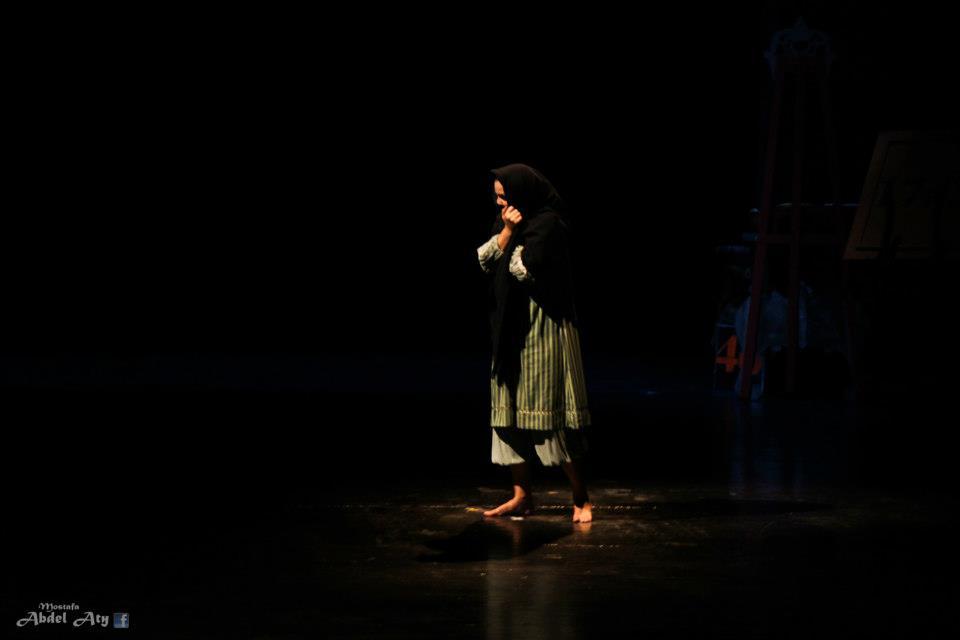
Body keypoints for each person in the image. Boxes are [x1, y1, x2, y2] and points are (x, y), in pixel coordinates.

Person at [476, 163, 593, 523]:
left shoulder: (548, 224)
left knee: (551, 412)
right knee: (509, 412)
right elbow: (485, 260)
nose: (500, 203)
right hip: (510, 329)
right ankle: (522, 495)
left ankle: (581, 497)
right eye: (496, 197)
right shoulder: (508, 223)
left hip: (544, 326)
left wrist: (511, 238)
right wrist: (508, 231)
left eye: (504, 196)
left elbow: (522, 269)